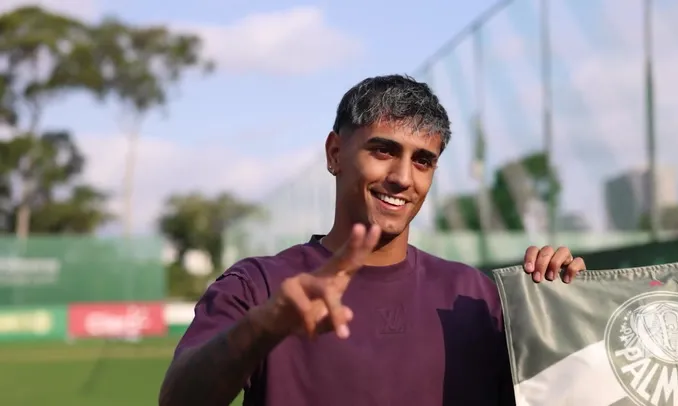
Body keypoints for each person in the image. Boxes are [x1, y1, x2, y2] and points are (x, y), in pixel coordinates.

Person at [158, 75, 586, 406]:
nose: (402, 178)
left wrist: (561, 313)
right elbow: (177, 399)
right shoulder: (261, 285)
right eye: (383, 150)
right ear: (335, 154)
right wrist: (264, 326)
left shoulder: (476, 296)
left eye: (423, 161)